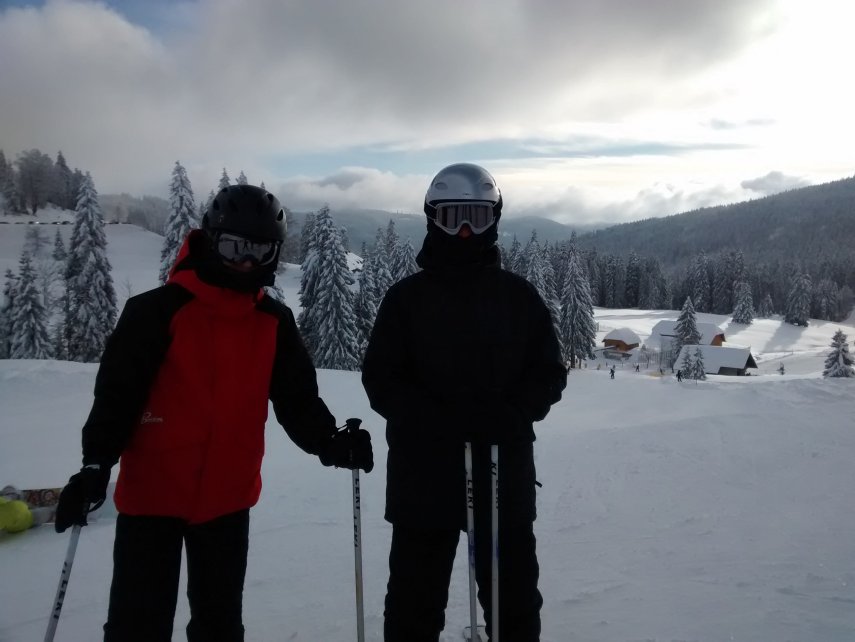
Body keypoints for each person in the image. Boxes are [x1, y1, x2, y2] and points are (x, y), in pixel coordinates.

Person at [54, 184, 374, 642]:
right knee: (137, 627)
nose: (246, 262)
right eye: (234, 247)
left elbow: (297, 399)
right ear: (210, 240)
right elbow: (117, 398)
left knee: (220, 626)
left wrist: (329, 441)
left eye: (260, 250)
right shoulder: (155, 312)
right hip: (153, 498)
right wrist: (95, 464)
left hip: (228, 499)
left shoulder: (273, 322)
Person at [362, 163, 567, 642]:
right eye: (453, 217)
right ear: (432, 218)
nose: (466, 231)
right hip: (423, 478)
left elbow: (549, 373)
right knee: (413, 608)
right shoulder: (406, 300)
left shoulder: (518, 298)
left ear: (495, 218)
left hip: (500, 475)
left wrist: (512, 415)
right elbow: (381, 379)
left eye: (477, 216)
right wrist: (430, 419)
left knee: (513, 607)